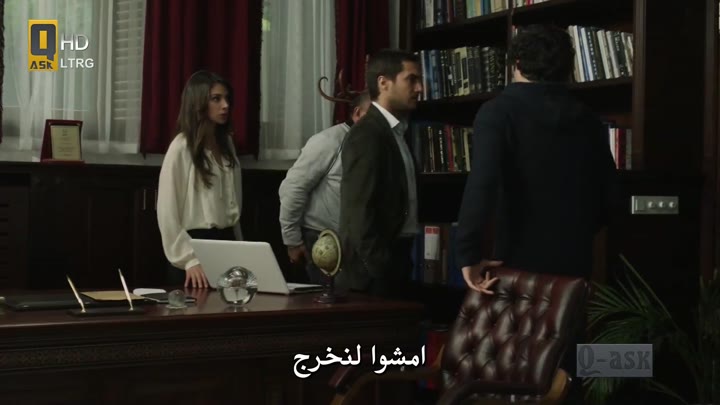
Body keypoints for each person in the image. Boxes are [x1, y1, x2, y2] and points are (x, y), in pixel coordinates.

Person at [454, 25, 619, 404]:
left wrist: (468, 255)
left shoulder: (497, 112)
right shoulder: (587, 118)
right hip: (574, 258)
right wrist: (578, 230)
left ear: (515, 63)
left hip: (514, 260)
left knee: (517, 359)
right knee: (568, 357)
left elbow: (481, 186)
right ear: (568, 66)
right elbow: (611, 197)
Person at [337, 49, 424, 299]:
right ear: (383, 83)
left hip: (398, 259)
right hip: (372, 274)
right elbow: (358, 211)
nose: (419, 88)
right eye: (411, 79)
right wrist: (380, 267)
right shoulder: (367, 133)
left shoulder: (396, 132)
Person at [157, 70, 243, 289]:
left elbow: (232, 207)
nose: (225, 105)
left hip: (227, 245)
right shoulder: (181, 147)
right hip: (195, 250)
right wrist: (189, 258)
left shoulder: (227, 146)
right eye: (216, 99)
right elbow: (167, 211)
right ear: (198, 102)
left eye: (227, 99)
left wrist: (240, 250)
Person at [278, 92, 371, 285]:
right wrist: (292, 241)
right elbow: (293, 189)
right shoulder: (328, 141)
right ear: (357, 113)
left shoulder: (375, 145)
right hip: (325, 241)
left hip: (362, 244)